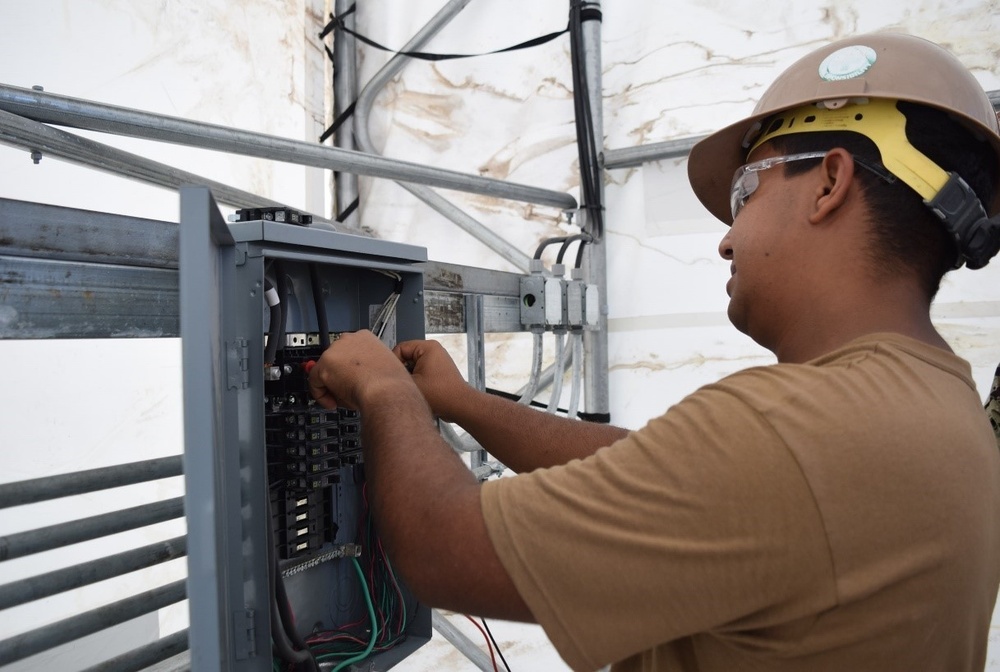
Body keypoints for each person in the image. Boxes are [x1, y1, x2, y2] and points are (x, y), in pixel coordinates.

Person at [308, 32, 1000, 671]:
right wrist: (462, 404)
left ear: (830, 182)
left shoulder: (793, 430)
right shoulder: (937, 407)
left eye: (745, 192)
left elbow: (442, 549)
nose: (727, 239)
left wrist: (384, 392)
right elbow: (652, 470)